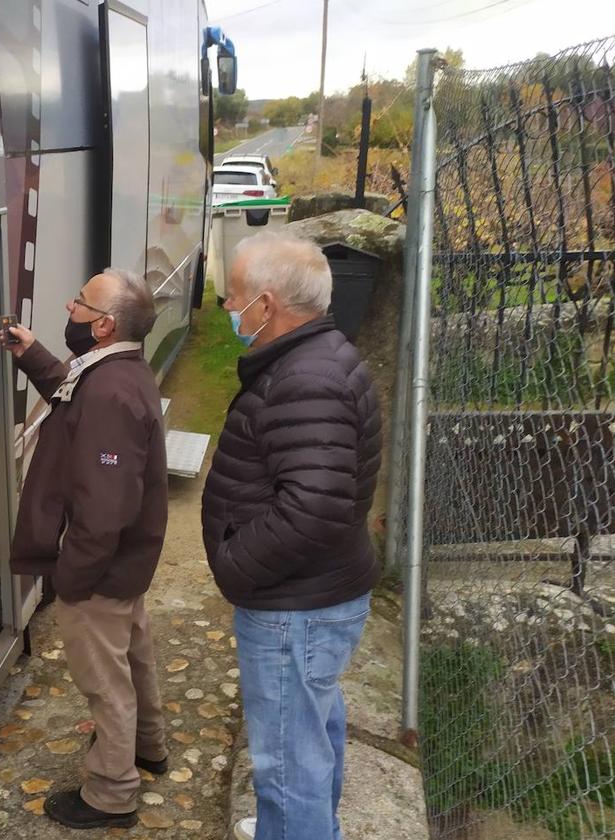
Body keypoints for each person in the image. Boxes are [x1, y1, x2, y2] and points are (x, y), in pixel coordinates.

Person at [201, 232, 382, 840]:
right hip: (315, 596)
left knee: (288, 761)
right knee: (313, 729)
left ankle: (297, 826)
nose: (228, 309)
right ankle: (297, 827)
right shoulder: (321, 357)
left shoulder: (306, 379)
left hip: (293, 606)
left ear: (267, 304)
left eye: (232, 298)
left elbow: (314, 509)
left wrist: (234, 565)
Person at [0, 267, 169, 830]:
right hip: (126, 568)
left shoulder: (112, 396)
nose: (70, 306)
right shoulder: (116, 371)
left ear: (104, 326)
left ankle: (111, 794)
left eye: (81, 304)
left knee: (105, 684)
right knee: (134, 655)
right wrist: (33, 354)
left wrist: (73, 577)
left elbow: (103, 510)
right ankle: (149, 748)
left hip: (100, 572)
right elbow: (75, 391)